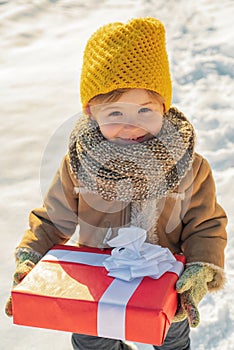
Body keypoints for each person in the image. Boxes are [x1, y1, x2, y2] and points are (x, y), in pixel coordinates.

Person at [5, 17, 227, 350]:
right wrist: (32, 260)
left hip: (164, 285)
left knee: (169, 340)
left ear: (164, 108)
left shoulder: (190, 167)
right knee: (93, 343)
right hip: (95, 284)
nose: (131, 126)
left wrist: (199, 268)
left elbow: (205, 225)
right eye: (115, 114)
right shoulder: (80, 164)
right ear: (91, 113)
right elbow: (52, 220)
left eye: (144, 110)